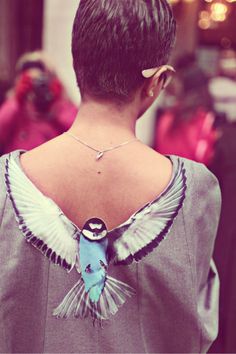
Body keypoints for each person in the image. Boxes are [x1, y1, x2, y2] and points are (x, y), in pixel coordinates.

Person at [0, 1, 221, 353]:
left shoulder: (4, 184)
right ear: (159, 81)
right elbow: (196, 330)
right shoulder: (196, 191)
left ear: (76, 66)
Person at [0, 51, 77, 155]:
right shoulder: (14, 108)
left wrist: (56, 103)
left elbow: (78, 134)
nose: (35, 86)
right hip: (19, 168)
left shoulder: (61, 106)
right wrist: (17, 102)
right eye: (29, 80)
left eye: (40, 80)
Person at [155, 54, 217, 166]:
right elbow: (202, 157)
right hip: (189, 178)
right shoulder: (203, 119)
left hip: (166, 174)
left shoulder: (168, 116)